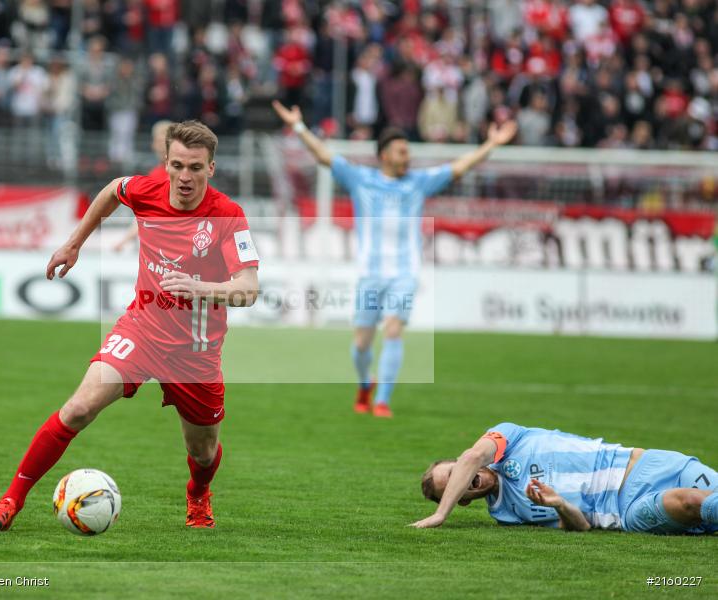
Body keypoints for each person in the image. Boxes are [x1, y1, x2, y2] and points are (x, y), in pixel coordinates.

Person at [0, 121, 259, 531]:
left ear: (211, 169)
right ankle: (9, 501)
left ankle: (198, 493)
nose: (184, 177)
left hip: (195, 354)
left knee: (203, 452)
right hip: (141, 331)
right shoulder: (146, 190)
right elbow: (113, 190)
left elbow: (248, 289)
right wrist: (74, 243)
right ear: (165, 163)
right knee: (78, 408)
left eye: (195, 168)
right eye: (177, 165)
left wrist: (201, 288)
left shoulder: (228, 216)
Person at [272, 100, 517, 418]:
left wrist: (491, 144)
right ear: (385, 155)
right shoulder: (361, 179)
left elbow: (460, 166)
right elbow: (322, 155)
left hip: (405, 272)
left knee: (393, 330)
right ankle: (365, 383)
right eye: (402, 151)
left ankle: (383, 400)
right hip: (370, 273)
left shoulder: (418, 182)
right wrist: (299, 125)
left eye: (408, 151)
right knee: (361, 343)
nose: (408, 157)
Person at [413, 422, 718, 534]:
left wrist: (442, 514)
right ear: (463, 501)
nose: (464, 482)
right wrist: (559, 505)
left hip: (650, 462)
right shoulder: (507, 513)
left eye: (455, 476)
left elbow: (471, 457)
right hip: (627, 508)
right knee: (691, 502)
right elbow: (580, 526)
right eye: (453, 490)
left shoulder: (508, 437)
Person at [113, 119, 172, 251]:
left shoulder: (181, 175)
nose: (158, 146)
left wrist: (124, 240)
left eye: (163, 142)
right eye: (157, 141)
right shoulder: (155, 174)